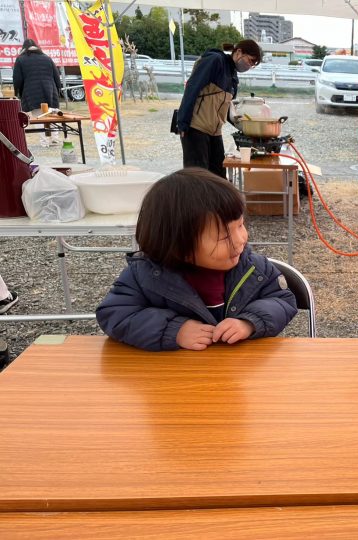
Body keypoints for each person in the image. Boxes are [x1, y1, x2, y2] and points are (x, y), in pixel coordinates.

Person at [96, 168, 297, 352]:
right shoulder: (145, 275)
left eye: (240, 225)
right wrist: (174, 330)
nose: (240, 240)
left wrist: (249, 322)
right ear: (178, 245)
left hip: (240, 373)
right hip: (174, 377)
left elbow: (282, 300)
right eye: (224, 237)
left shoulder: (254, 268)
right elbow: (115, 314)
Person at [176, 40, 262, 179]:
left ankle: (216, 201)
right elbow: (192, 87)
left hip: (214, 131)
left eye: (253, 65)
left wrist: (246, 127)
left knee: (219, 176)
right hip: (196, 128)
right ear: (238, 52)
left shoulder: (233, 75)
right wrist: (183, 123)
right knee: (197, 178)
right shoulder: (215, 60)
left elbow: (226, 106)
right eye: (250, 61)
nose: (249, 66)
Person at [12, 39, 62, 147]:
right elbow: (56, 76)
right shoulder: (46, 58)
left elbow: (17, 79)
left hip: (32, 93)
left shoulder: (20, 59)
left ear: (24, 48)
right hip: (50, 91)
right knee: (52, 114)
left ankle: (44, 142)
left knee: (39, 117)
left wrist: (17, 92)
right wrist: (58, 89)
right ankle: (55, 139)